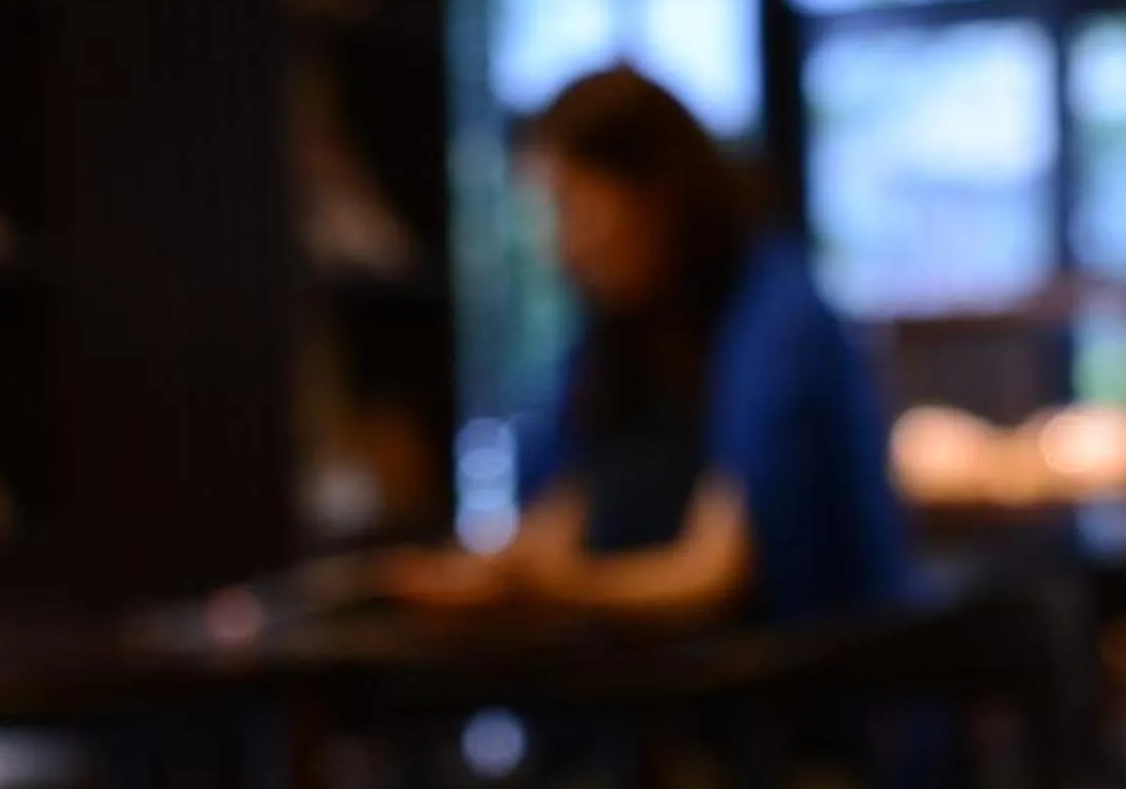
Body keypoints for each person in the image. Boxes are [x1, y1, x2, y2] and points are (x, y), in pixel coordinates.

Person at [384, 66, 910, 625]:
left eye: (575, 209)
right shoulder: (613, 345)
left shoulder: (777, 323)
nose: (562, 249)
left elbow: (720, 572)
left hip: (780, 693)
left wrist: (561, 588)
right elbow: (552, 520)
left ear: (657, 195)